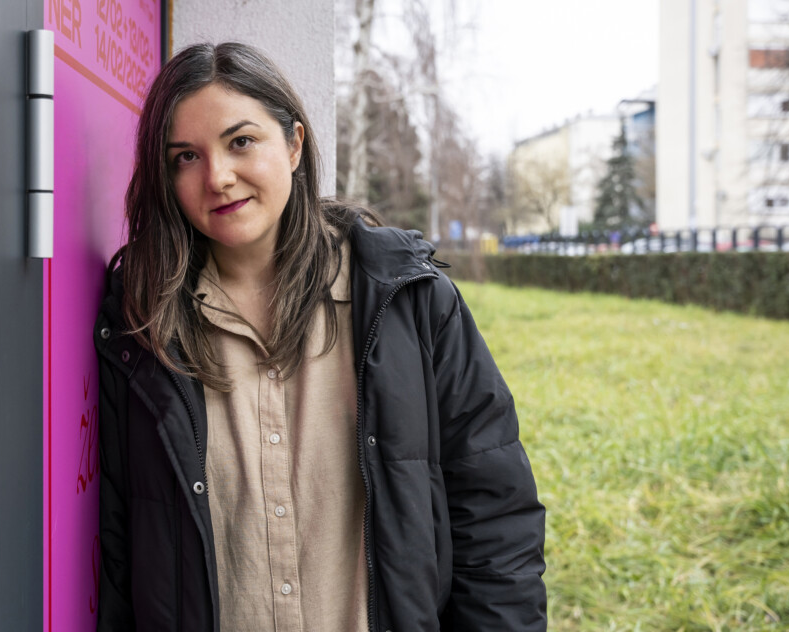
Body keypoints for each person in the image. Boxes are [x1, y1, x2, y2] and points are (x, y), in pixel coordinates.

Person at [94, 42, 546, 631]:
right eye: (185, 157)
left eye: (241, 141)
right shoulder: (141, 330)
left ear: (295, 144)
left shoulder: (407, 301)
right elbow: (121, 547)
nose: (218, 177)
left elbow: (495, 516)